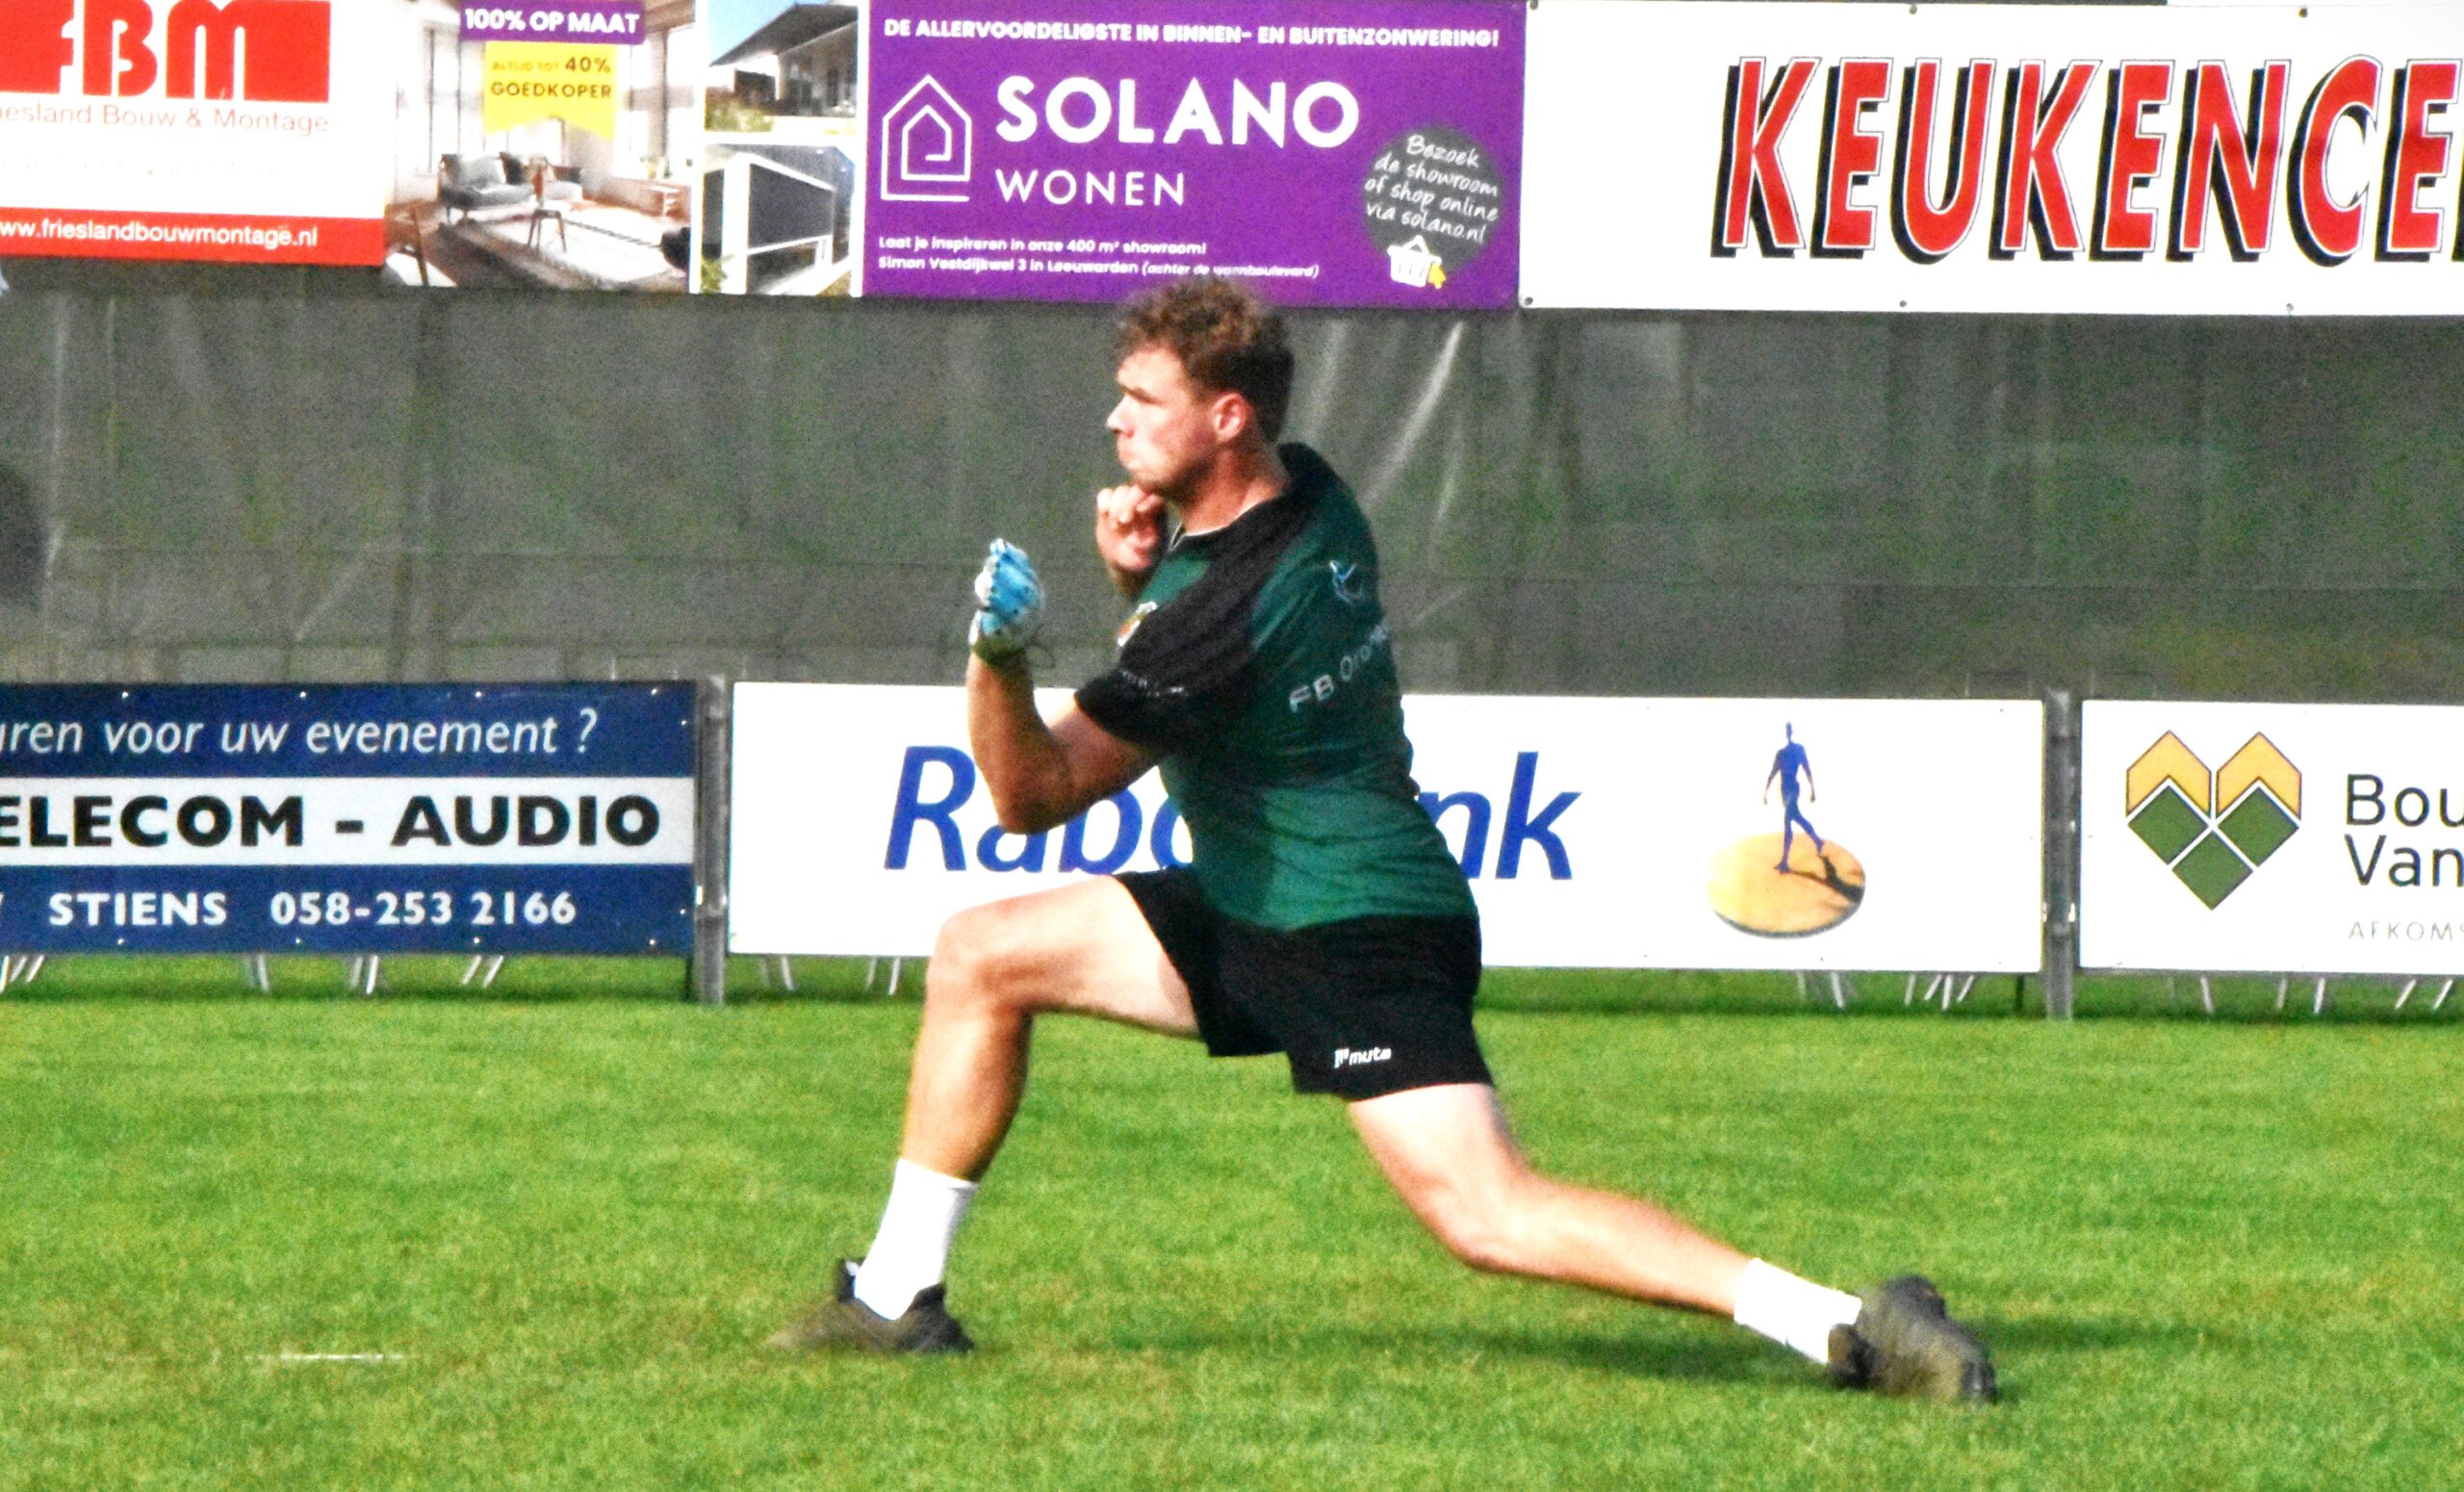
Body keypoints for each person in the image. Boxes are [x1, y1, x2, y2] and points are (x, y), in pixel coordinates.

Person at [766, 278, 1996, 1403]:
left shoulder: (1217, 615)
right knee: (982, 953)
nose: (1114, 421)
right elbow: (1194, 641)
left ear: (1228, 416)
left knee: (1488, 1213)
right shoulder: (1312, 489)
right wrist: (1141, 581)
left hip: (1347, 928)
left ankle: (1850, 1323)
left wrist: (997, 654)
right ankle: (895, 1294)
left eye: (1143, 399)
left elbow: (1028, 794)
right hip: (1263, 899)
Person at [1763, 722, 1826, 871]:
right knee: (1797, 817)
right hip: (1784, 791)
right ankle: (1817, 840)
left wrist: (1813, 790)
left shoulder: (1798, 750)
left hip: (1793, 789)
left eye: (1789, 730)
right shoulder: (1781, 753)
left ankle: (1785, 861)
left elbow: (1807, 769)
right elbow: (1773, 772)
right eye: (1787, 730)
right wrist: (1765, 791)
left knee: (1787, 821)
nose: (1788, 732)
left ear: (1791, 732)